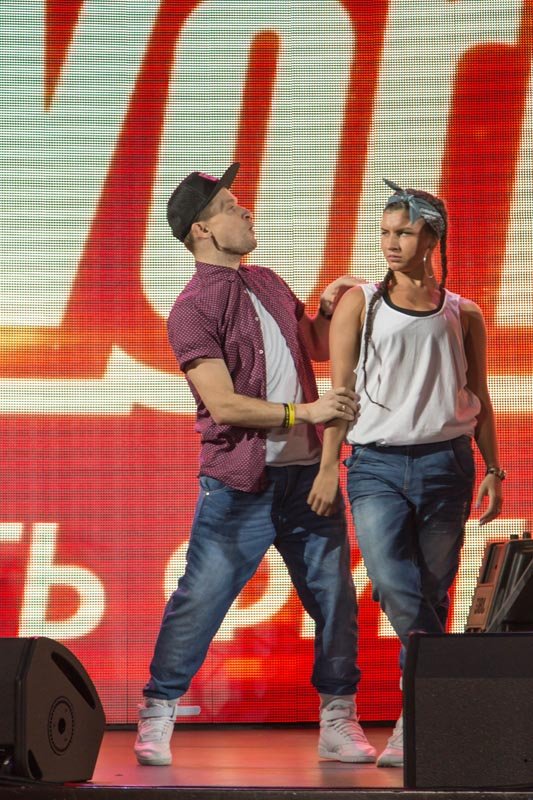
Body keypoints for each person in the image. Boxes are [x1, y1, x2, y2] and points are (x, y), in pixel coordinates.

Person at [134, 162, 377, 766]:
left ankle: (338, 717)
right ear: (202, 230)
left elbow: (313, 344)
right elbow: (223, 404)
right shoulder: (192, 308)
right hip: (239, 484)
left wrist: (330, 305)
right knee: (201, 598)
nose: (246, 212)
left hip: (306, 480)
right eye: (230, 207)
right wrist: (307, 412)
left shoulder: (266, 281)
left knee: (335, 599)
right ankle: (158, 712)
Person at [308, 180, 504, 768]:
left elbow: (479, 395)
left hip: (448, 463)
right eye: (385, 233)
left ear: (432, 239)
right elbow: (341, 393)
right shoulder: (360, 301)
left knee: (435, 591)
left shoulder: (462, 312)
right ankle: (438, 696)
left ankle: (413, 721)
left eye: (405, 232)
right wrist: (327, 465)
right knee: (395, 584)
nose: (391, 243)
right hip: (376, 466)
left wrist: (494, 468)